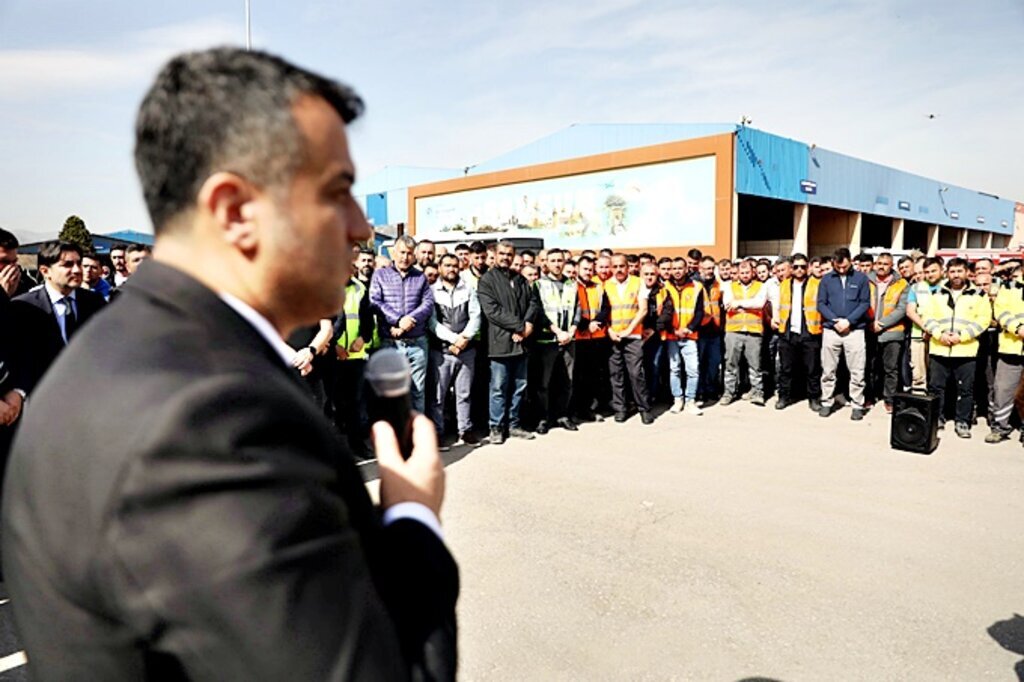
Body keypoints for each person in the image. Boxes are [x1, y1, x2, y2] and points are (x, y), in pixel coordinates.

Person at [3, 48, 458, 680]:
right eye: (337, 193)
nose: (362, 229)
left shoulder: (136, 350)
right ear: (235, 210)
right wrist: (413, 517)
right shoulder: (212, 421)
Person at [9, 240, 107, 393]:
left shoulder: (95, 302)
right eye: (67, 265)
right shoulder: (23, 308)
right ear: (45, 271)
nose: (77, 270)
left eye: (78, 263)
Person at [919, 258, 991, 438]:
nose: (956, 275)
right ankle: (937, 418)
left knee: (965, 389)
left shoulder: (979, 295)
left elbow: (983, 320)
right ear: (947, 273)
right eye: (952, 271)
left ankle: (962, 421)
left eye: (959, 271)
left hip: (966, 349)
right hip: (939, 348)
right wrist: (939, 334)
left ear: (967, 273)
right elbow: (927, 316)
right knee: (936, 387)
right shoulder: (936, 293)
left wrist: (962, 336)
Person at [477, 240, 538, 444]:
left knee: (520, 386)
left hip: (522, 343)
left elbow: (533, 302)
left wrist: (527, 325)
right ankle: (496, 426)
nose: (505, 257)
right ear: (495, 255)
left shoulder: (520, 279)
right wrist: (519, 326)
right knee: (498, 387)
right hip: (500, 343)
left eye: (509, 254)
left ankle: (514, 424)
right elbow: (492, 311)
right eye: (502, 254)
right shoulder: (487, 280)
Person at [369, 234, 434, 414]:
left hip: (417, 343)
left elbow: (428, 303)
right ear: (394, 252)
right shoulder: (380, 275)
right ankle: (394, 429)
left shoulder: (420, 277)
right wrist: (398, 320)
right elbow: (375, 302)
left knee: (417, 392)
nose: (405, 257)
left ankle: (415, 428)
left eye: (409, 253)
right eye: (402, 252)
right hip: (390, 343)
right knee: (390, 392)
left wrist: (409, 321)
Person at [428, 253, 481, 446]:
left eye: (454, 266)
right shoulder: (431, 291)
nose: (451, 269)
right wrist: (454, 340)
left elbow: (475, 316)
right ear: (440, 268)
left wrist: (464, 338)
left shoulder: (468, 289)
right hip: (441, 351)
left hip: (466, 351)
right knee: (438, 396)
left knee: (464, 393)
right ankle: (438, 432)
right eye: (447, 265)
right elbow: (432, 322)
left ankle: (465, 430)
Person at [817, 247, 871, 420]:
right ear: (833, 263)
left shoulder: (861, 279)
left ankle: (857, 404)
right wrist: (835, 321)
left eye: (845, 267)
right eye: (838, 267)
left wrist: (849, 321)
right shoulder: (826, 279)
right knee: (828, 369)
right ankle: (826, 401)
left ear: (850, 261)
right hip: (831, 329)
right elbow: (821, 304)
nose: (841, 270)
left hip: (854, 330)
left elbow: (864, 303)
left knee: (857, 370)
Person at [530, 248, 580, 433]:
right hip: (547, 341)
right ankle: (543, 418)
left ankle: (562, 416)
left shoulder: (572, 284)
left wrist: (572, 330)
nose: (557, 264)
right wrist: (558, 331)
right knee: (544, 383)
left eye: (560, 260)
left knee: (567, 381)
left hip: (569, 340)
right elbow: (539, 312)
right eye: (553, 261)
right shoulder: (539, 285)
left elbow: (577, 308)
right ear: (546, 263)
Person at [331, 264, 376, 459]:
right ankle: (337, 449)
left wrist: (363, 338)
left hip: (355, 356)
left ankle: (357, 445)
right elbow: (321, 321)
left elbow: (368, 320)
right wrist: (334, 345)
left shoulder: (360, 289)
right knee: (333, 404)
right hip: (332, 356)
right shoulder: (325, 287)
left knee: (355, 403)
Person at [605, 253, 654, 424]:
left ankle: (644, 409)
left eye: (622, 266)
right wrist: (610, 330)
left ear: (628, 267)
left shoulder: (638, 282)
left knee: (636, 374)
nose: (619, 269)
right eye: (615, 266)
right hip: (613, 337)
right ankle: (620, 409)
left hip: (633, 336)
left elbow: (643, 309)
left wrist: (629, 330)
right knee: (616, 374)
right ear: (611, 268)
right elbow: (603, 311)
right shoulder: (606, 285)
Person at [773, 253, 822, 411]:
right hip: (788, 332)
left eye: (802, 266)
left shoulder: (816, 284)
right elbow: (777, 305)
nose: (799, 269)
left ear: (808, 267)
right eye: (796, 267)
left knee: (812, 369)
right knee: (786, 368)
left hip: (810, 332)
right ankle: (784, 397)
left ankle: (814, 398)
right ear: (791, 268)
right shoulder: (784, 284)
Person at [661, 258, 704, 415]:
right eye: (674, 268)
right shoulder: (664, 287)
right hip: (672, 335)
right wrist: (673, 330)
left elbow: (700, 312)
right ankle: (677, 400)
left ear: (686, 269)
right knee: (674, 369)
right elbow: (662, 313)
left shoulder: (697, 287)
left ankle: (690, 401)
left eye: (680, 268)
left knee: (693, 370)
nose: (677, 271)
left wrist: (689, 328)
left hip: (689, 335)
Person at [720, 259, 766, 406]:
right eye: (742, 272)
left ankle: (757, 393)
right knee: (730, 364)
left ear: (753, 273)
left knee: (755, 365)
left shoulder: (761, 286)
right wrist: (749, 305)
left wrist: (739, 303)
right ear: (738, 273)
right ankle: (729, 393)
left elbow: (760, 303)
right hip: (733, 331)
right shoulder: (729, 286)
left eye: (747, 272)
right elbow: (727, 304)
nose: (745, 275)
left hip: (753, 331)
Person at [987, 260, 1024, 444]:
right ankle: (1000, 427)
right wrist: (1018, 328)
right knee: (1002, 389)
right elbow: (1001, 311)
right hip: (1011, 347)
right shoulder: (1009, 287)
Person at [867, 252, 909, 413]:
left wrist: (882, 324)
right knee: (869, 367)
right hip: (869, 330)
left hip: (892, 332)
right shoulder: (866, 281)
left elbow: (902, 309)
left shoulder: (902, 284)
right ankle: (869, 396)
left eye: (885, 264)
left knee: (891, 369)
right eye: (879, 263)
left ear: (891, 266)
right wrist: (870, 323)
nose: (881, 266)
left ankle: (889, 399)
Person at [572, 255, 610, 422]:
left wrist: (596, 322)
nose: (588, 272)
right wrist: (586, 325)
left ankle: (588, 409)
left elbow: (605, 308)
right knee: (577, 377)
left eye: (590, 270)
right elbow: (571, 311)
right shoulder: (571, 287)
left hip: (596, 338)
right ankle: (574, 410)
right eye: (585, 269)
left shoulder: (598, 287)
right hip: (578, 337)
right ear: (577, 269)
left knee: (592, 377)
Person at [905, 257, 943, 390]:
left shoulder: (947, 287)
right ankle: (919, 398)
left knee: (939, 374)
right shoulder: (916, 288)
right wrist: (927, 329)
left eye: (933, 271)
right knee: (918, 374)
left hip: (941, 337)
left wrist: (935, 331)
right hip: (919, 335)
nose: (930, 274)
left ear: (942, 270)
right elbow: (910, 311)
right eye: (927, 272)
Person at [696, 256, 724, 404]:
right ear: (700, 269)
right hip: (699, 330)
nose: (710, 271)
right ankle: (700, 391)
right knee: (700, 363)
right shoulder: (694, 285)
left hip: (715, 330)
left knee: (714, 362)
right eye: (707, 268)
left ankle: (711, 389)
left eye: (712, 268)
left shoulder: (717, 284)